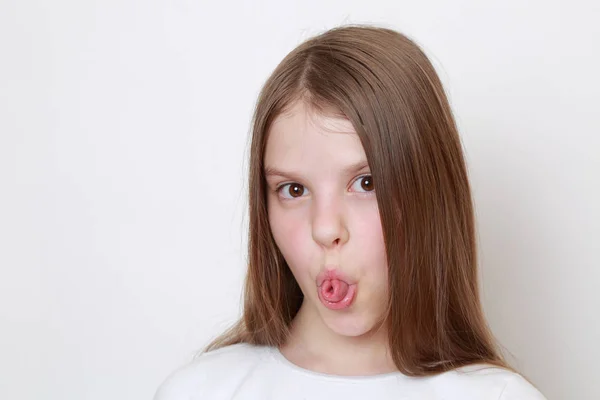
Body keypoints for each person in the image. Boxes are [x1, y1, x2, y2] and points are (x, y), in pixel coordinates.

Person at [154, 24, 547, 399]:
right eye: (293, 190)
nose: (325, 229)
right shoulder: (199, 393)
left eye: (366, 183)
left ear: (430, 195)